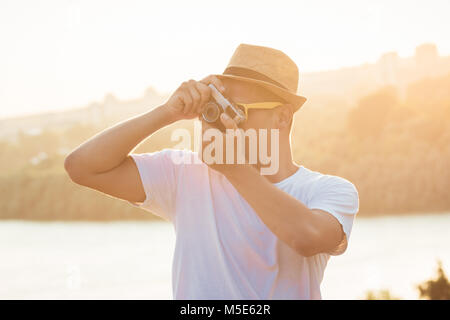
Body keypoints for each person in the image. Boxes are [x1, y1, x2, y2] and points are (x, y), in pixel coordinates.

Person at [64, 44, 359, 299]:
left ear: (281, 117)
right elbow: (82, 167)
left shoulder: (329, 190)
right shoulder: (185, 174)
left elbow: (307, 237)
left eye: (236, 109)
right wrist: (168, 112)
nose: (221, 119)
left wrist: (235, 169)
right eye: (218, 106)